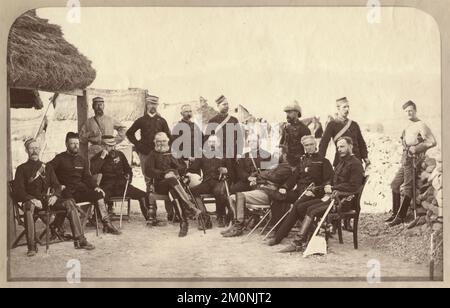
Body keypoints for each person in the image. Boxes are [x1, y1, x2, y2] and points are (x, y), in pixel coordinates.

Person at [277, 136, 364, 253]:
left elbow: (354, 186)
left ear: (350, 146)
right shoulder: (342, 162)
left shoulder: (356, 164)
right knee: (302, 206)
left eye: (342, 146)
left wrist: (333, 187)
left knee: (311, 210)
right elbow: (331, 180)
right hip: (332, 197)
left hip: (343, 201)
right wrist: (318, 189)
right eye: (338, 147)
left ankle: (298, 242)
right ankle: (314, 234)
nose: (340, 149)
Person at [13, 139, 95, 257]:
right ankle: (31, 246)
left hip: (47, 200)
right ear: (26, 150)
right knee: (28, 207)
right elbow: (18, 191)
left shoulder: (47, 168)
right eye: (31, 148)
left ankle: (80, 240)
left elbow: (56, 185)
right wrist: (32, 199)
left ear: (40, 150)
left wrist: (56, 196)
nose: (34, 151)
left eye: (36, 148)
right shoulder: (21, 169)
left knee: (70, 203)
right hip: (32, 202)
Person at [50, 132, 121, 235]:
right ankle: (56, 226)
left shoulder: (81, 159)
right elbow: (48, 171)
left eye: (77, 143)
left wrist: (96, 187)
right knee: (68, 202)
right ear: (66, 144)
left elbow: (87, 177)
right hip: (66, 192)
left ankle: (107, 224)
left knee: (99, 194)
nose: (75, 146)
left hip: (79, 191)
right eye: (72, 143)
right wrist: (56, 185)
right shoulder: (59, 158)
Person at [221, 149, 297, 237]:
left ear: (285, 156)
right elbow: (265, 175)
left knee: (239, 195)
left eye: (278, 153)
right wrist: (262, 176)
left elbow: (273, 178)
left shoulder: (286, 167)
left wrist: (261, 175)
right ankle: (236, 223)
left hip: (269, 194)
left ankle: (238, 227)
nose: (275, 154)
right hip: (263, 190)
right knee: (232, 197)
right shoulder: (277, 166)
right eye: (275, 152)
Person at [269, 135, 334, 237]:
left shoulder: (323, 161)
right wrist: (284, 188)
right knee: (277, 197)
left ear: (315, 144)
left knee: (297, 206)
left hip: (313, 194)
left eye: (311, 144)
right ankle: (278, 229)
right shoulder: (302, 161)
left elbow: (328, 181)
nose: (309, 147)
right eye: (306, 145)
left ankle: (280, 235)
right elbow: (294, 178)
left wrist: (315, 190)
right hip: (299, 191)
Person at [387, 100, 437, 227]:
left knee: (408, 186)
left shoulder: (421, 124)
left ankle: (401, 216)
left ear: (415, 110)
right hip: (405, 158)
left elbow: (432, 141)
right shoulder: (408, 124)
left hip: (414, 159)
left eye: (411, 110)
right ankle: (395, 213)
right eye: (406, 111)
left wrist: (417, 148)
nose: (409, 113)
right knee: (394, 184)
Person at [146, 132, 202, 236]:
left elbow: (183, 168)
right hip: (160, 184)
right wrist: (164, 174)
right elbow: (148, 171)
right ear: (155, 142)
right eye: (158, 141)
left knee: (173, 191)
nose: (161, 143)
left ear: (167, 141)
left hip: (175, 185)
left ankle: (183, 223)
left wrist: (174, 167)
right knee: (171, 180)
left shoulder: (173, 152)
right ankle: (190, 206)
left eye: (163, 141)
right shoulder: (152, 154)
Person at [90, 135, 151, 222]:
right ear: (103, 146)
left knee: (143, 195)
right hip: (107, 186)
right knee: (100, 199)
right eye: (109, 146)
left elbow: (128, 169)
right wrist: (102, 158)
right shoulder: (97, 157)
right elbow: (92, 170)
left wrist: (129, 177)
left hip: (122, 185)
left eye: (113, 145)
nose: (113, 148)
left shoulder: (120, 154)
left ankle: (149, 218)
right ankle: (99, 220)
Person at [126, 95, 172, 192]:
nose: (153, 106)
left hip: (159, 154)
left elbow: (169, 137)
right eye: (151, 104)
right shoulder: (141, 120)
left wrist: (165, 149)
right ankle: (151, 206)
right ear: (147, 105)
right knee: (147, 178)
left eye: (155, 104)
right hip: (145, 153)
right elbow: (129, 133)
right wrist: (138, 145)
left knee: (160, 176)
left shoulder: (162, 121)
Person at [187, 135, 230, 228]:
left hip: (220, 181)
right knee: (192, 191)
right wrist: (190, 162)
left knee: (219, 192)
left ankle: (221, 216)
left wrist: (227, 170)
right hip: (207, 182)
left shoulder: (225, 155)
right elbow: (193, 169)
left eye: (214, 142)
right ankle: (205, 217)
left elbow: (232, 169)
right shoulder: (203, 155)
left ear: (218, 143)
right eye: (210, 142)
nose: (212, 144)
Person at [319, 97, 370, 167]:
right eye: (344, 107)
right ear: (338, 108)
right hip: (340, 162)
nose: (347, 109)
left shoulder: (354, 124)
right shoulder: (332, 124)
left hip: (356, 161)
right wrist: (320, 159)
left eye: (348, 107)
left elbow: (361, 142)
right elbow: (324, 143)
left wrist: (365, 157)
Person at [205, 95, 244, 184]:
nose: (226, 106)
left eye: (227, 104)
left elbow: (240, 138)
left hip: (232, 153)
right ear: (218, 106)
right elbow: (207, 139)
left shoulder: (234, 120)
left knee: (233, 176)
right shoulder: (212, 121)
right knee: (220, 178)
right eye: (224, 104)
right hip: (219, 154)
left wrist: (239, 153)